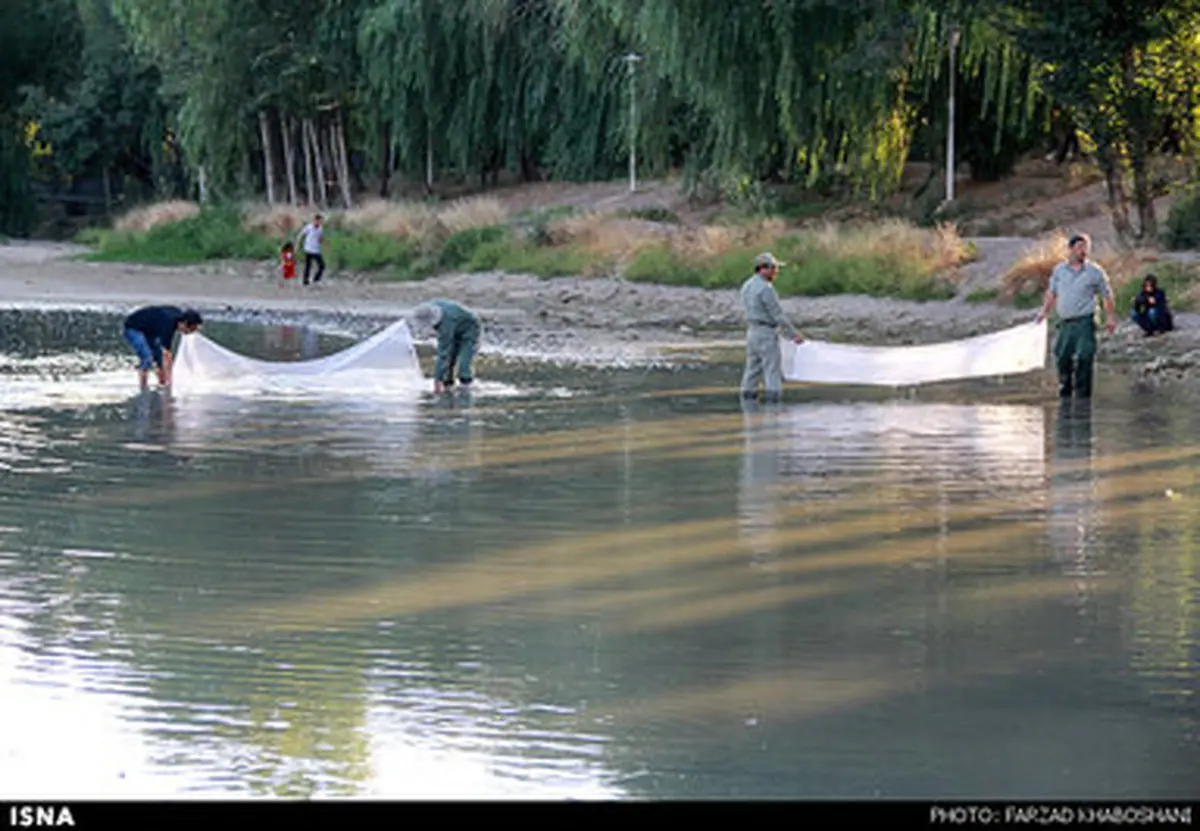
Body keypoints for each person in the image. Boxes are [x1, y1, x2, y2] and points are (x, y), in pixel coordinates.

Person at [1035, 233, 1116, 399]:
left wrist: (1110, 318)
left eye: (1085, 248)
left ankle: (1082, 397)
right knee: (1062, 357)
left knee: (1085, 356)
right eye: (1079, 247)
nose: (1083, 251)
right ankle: (1065, 389)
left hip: (1085, 321)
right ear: (1070, 249)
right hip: (1065, 322)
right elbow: (1052, 293)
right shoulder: (1059, 271)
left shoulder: (1094, 272)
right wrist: (1044, 311)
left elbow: (1107, 295)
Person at [740, 252, 804, 403]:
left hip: (751, 332)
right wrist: (794, 335)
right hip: (766, 334)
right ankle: (774, 408)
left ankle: (747, 407)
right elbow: (778, 315)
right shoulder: (766, 288)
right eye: (774, 268)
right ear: (763, 268)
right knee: (772, 371)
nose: (776, 272)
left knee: (751, 371)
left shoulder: (747, 285)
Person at [122, 305, 203, 390]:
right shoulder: (168, 324)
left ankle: (162, 382)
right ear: (184, 323)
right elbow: (167, 355)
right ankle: (143, 388)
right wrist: (170, 382)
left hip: (149, 329)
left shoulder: (176, 318)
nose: (187, 332)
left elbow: (165, 355)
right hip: (133, 328)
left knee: (159, 359)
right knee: (147, 357)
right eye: (190, 329)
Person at [409, 300, 481, 394]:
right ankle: (448, 383)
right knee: (450, 361)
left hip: (470, 329)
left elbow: (443, 353)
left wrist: (437, 380)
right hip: (456, 326)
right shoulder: (430, 308)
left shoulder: (446, 323)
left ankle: (466, 387)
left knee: (464, 362)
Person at [296, 214, 325, 285]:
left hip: (316, 250)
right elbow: (300, 235)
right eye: (319, 221)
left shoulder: (320, 228)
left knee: (322, 265)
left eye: (321, 221)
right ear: (315, 220)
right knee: (308, 266)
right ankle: (305, 281)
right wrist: (297, 245)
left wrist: (324, 243)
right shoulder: (309, 227)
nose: (320, 223)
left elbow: (320, 238)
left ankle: (316, 279)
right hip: (308, 249)